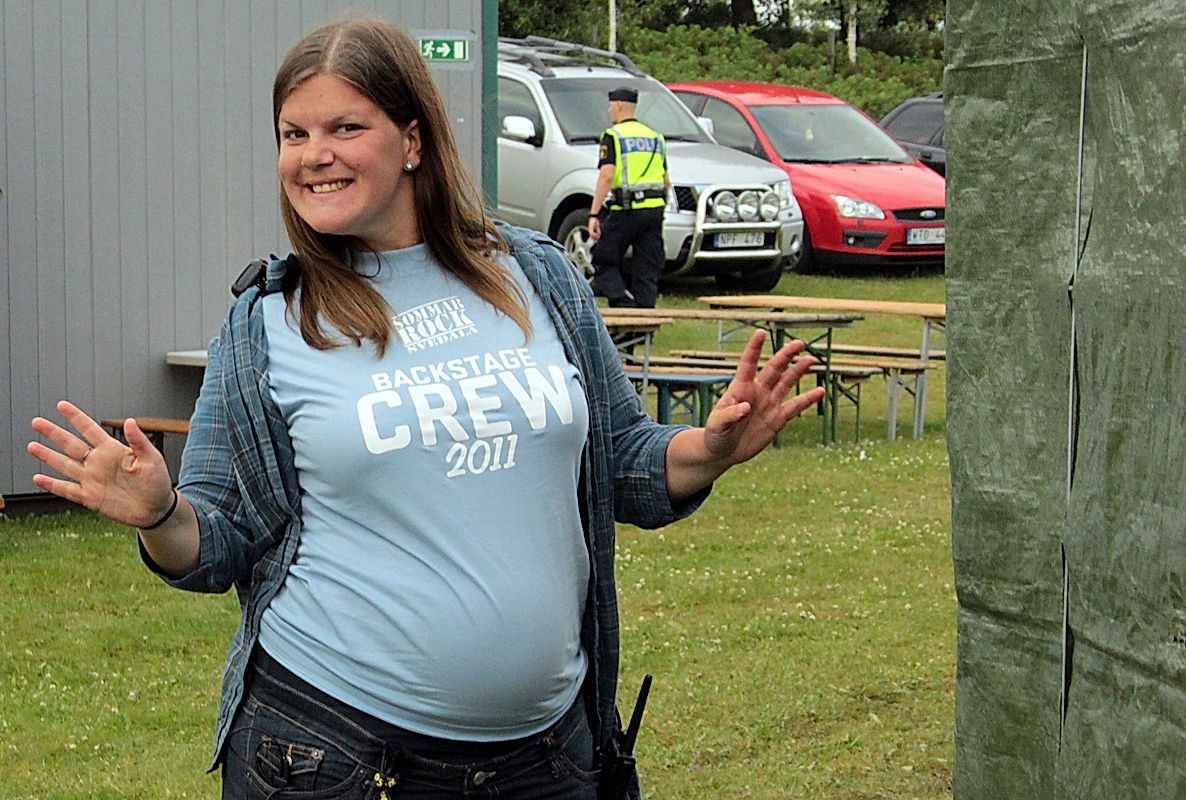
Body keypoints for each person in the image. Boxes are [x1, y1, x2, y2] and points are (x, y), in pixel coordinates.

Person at [27, 18, 825, 800]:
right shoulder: (270, 321)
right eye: (292, 133)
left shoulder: (536, 277)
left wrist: (709, 449)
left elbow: (624, 465)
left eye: (345, 126)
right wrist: (159, 511)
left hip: (551, 761)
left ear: (413, 140)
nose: (314, 156)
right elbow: (216, 541)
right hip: (332, 755)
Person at [588, 87, 669, 309]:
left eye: (610, 105)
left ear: (620, 105)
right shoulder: (655, 138)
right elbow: (666, 181)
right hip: (654, 210)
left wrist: (594, 214)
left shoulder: (613, 136)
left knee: (603, 261)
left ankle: (624, 307)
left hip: (626, 209)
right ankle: (645, 324)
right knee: (647, 268)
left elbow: (607, 176)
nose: (609, 110)